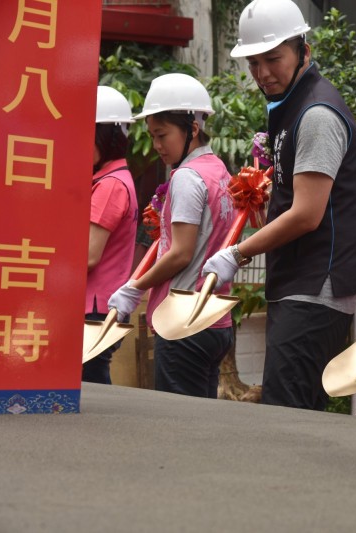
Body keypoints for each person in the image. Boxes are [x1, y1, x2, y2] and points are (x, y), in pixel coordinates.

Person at [202, 0, 356, 411]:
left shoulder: (313, 112)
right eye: (254, 63)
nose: (262, 73)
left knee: (286, 413)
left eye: (273, 59)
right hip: (305, 284)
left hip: (314, 287)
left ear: (303, 51)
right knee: (297, 411)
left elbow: (308, 215)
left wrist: (236, 253)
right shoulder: (303, 102)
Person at [108, 73, 236, 399]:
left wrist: (134, 288)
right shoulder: (218, 170)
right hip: (215, 322)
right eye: (152, 136)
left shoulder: (187, 178)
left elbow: (180, 253)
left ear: (192, 128)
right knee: (200, 423)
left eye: (162, 135)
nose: (157, 146)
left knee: (179, 428)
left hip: (183, 324)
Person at [84, 86, 138, 384]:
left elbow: (89, 255)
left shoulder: (110, 185)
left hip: (95, 307)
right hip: (102, 306)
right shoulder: (114, 178)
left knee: (91, 389)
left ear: (105, 136)